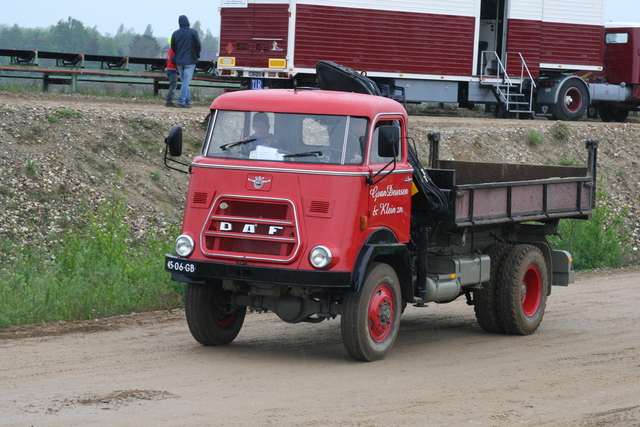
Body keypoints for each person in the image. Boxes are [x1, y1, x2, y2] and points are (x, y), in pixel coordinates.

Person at [171, 15, 201, 108]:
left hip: (179, 61)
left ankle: (188, 101)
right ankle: (181, 101)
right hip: (190, 60)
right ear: (188, 21)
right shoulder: (193, 32)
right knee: (186, 82)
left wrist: (179, 55)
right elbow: (198, 45)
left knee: (184, 81)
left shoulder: (175, 33)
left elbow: (174, 47)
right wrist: (197, 55)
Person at [165, 37, 178, 107]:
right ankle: (169, 101)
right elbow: (174, 59)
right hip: (173, 69)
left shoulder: (170, 50)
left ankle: (169, 100)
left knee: (172, 85)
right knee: (173, 86)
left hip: (169, 69)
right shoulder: (174, 50)